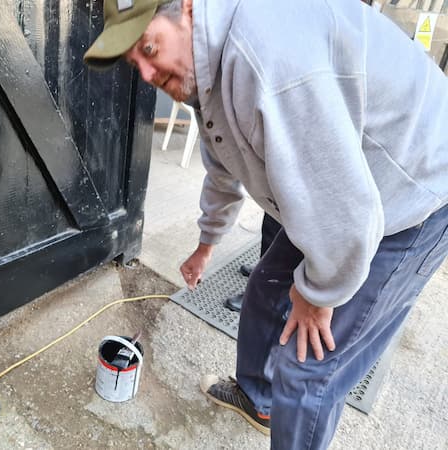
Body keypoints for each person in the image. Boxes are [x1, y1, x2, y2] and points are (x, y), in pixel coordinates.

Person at [83, 1, 448, 449]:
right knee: (267, 288)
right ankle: (259, 400)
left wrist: (319, 296)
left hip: (413, 191)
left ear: (189, 10)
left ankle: (286, 406)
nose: (144, 73)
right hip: (342, 188)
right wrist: (206, 243)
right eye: (132, 62)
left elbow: (347, 212)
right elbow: (224, 168)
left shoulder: (266, 59)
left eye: (149, 47)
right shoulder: (207, 70)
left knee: (308, 372)